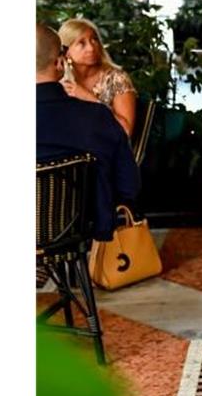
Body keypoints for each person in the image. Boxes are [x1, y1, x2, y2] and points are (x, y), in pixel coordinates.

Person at [37, 23, 139, 243]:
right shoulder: (97, 118)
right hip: (77, 227)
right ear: (60, 62)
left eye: (94, 40)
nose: (91, 47)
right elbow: (128, 185)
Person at [59, 18, 138, 137]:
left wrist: (89, 98)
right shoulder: (59, 79)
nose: (91, 48)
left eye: (94, 40)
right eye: (82, 43)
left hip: (106, 151)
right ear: (66, 51)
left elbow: (126, 132)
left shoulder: (117, 79)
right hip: (70, 148)